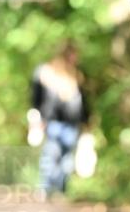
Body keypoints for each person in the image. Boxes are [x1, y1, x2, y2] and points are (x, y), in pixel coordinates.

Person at [29, 42, 88, 196]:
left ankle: (61, 189)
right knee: (51, 154)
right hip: (52, 122)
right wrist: (37, 117)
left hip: (72, 123)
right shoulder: (46, 72)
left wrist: (86, 120)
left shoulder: (77, 74)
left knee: (67, 158)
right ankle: (45, 187)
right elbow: (37, 97)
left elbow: (84, 100)